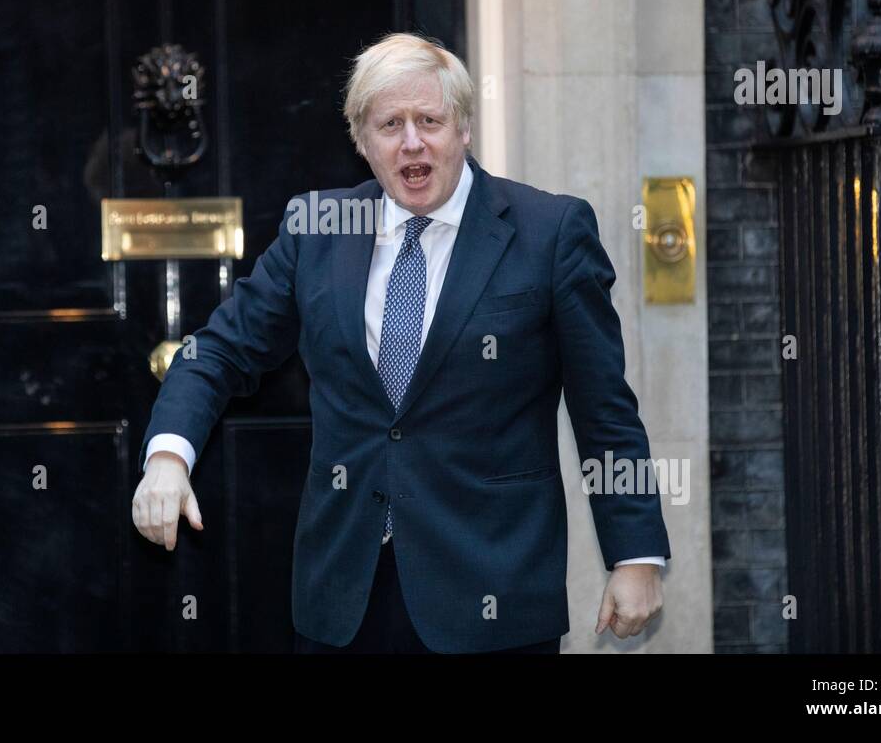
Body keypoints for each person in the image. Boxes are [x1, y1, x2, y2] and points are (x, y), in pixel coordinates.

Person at [132, 32, 669, 653]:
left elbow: (604, 407)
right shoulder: (318, 229)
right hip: (345, 600)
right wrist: (168, 456)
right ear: (362, 141)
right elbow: (219, 352)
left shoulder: (550, 232)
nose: (412, 141)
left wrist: (636, 554)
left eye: (430, 120)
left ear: (463, 128)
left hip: (492, 596)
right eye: (390, 124)